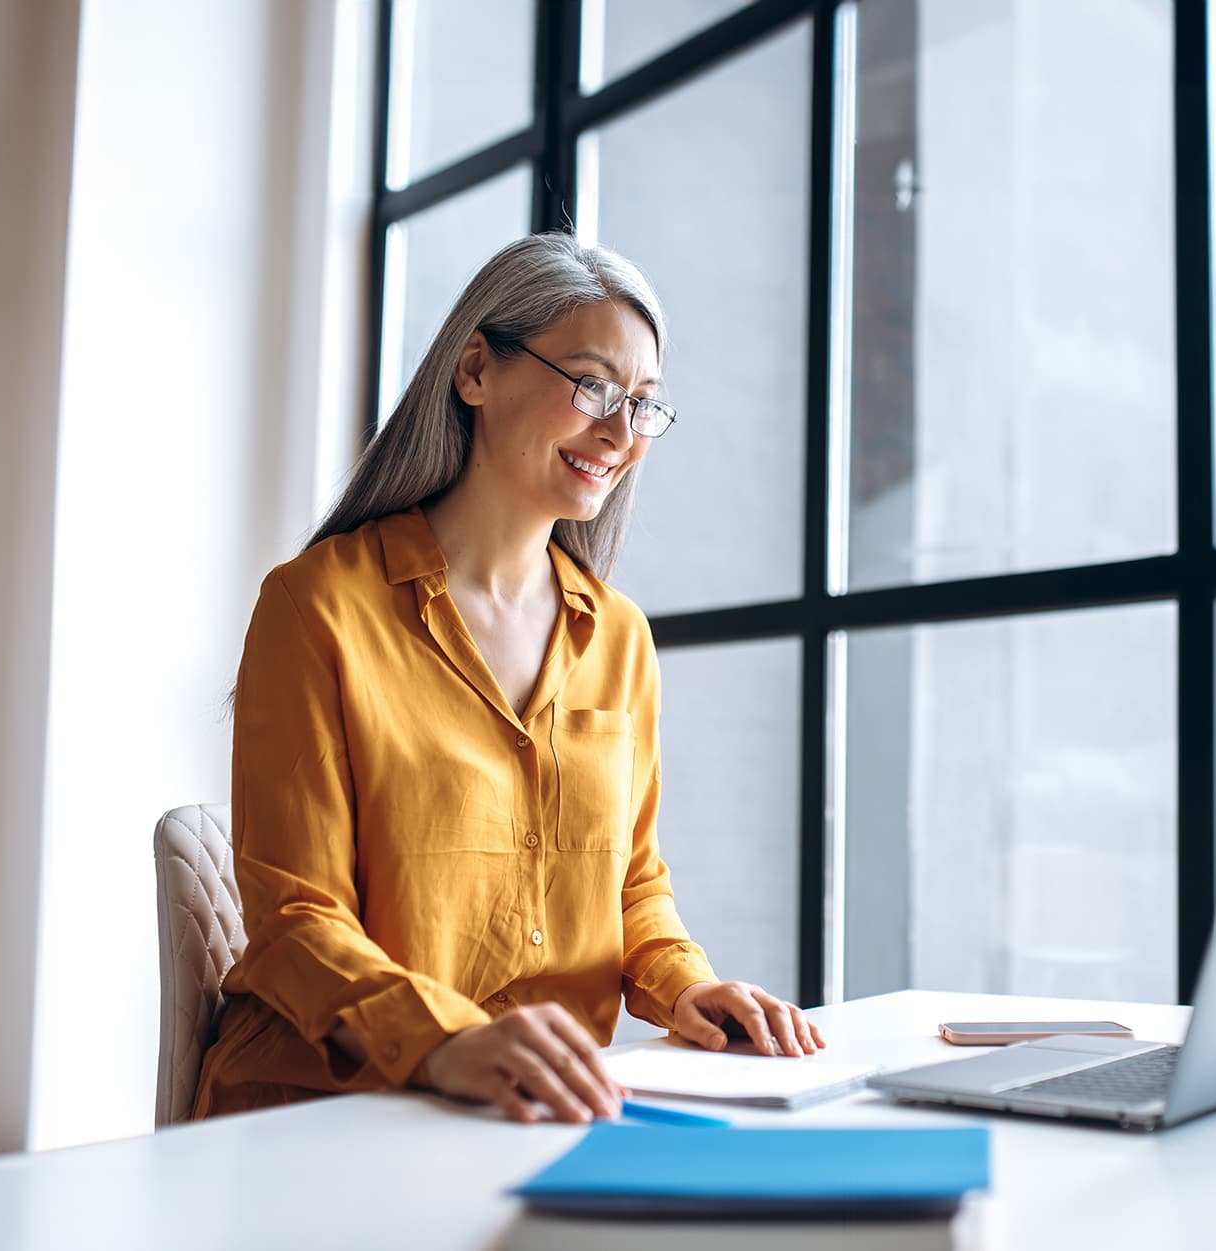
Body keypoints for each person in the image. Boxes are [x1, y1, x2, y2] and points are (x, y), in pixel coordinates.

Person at [190, 233, 824, 1125]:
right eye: (594, 385)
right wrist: (446, 1039)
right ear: (476, 370)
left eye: (643, 405)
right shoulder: (318, 606)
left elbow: (631, 883)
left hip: (530, 1111)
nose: (619, 433)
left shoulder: (619, 638)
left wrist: (686, 987)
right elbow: (299, 917)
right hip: (320, 1104)